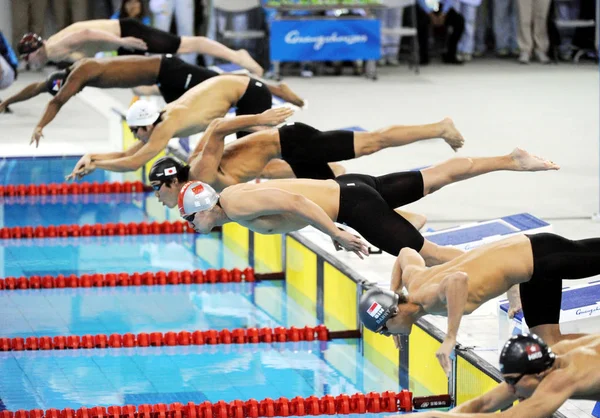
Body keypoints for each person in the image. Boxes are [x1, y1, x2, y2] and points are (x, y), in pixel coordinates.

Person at [175, 148, 558, 269]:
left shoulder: (236, 203)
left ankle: (509, 272)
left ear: (204, 208)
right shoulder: (235, 206)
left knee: (432, 255)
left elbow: (296, 202)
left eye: (189, 218)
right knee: (436, 175)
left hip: (354, 206)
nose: (189, 225)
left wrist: (336, 233)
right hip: (353, 188)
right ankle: (511, 159)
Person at [357, 227, 600, 376]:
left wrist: (450, 337)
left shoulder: (426, 298)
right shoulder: (415, 280)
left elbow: (457, 280)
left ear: (392, 315)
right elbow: (405, 253)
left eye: (385, 332)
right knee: (549, 344)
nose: (390, 336)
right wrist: (393, 290)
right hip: (531, 270)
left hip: (541, 255)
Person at [28, 64, 303, 147]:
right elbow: (42, 90)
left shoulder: (80, 74)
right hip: (159, 74)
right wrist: (7, 101)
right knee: (209, 97)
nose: (69, 94)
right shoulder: (80, 74)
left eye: (68, 90)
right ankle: (267, 98)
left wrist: (41, 124)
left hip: (167, 70)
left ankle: (276, 89)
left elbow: (56, 99)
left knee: (218, 84)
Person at [403, 333, 600, 418]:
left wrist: (433, 416)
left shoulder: (564, 376)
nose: (510, 390)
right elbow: (483, 404)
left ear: (540, 374)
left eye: (513, 381)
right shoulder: (552, 357)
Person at [16, 17, 263, 75]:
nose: (30, 64)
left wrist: (122, 41)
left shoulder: (55, 47)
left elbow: (86, 32)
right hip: (120, 37)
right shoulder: (50, 49)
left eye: (28, 60)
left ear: (36, 51)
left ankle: (236, 55)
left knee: (186, 45)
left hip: (128, 32)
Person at [416, 0, 465, 64]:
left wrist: (443, 13)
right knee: (422, 21)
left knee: (459, 20)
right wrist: (430, 14)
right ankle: (423, 55)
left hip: (441, 7)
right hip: (424, 8)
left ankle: (450, 54)